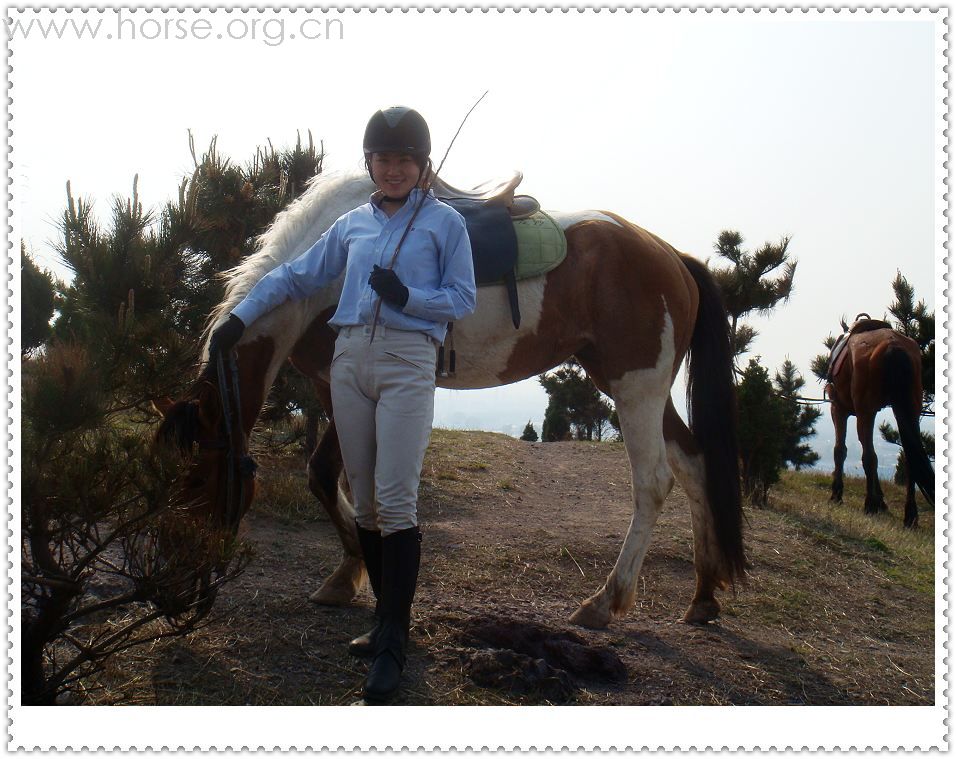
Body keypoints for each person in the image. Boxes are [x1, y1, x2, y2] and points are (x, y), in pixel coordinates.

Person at [208, 106, 477, 703]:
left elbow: (460, 297)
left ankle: (392, 643)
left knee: (397, 497)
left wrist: (410, 296)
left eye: (405, 159)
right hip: (350, 360)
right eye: (383, 159)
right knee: (369, 505)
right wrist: (239, 318)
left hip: (409, 361)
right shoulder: (352, 224)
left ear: (421, 164)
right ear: (370, 163)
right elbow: (296, 277)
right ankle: (384, 619)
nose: (394, 169)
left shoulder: (445, 225)